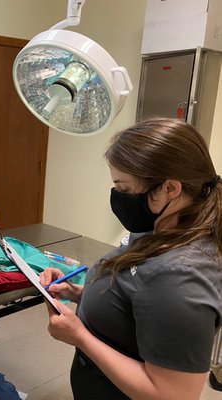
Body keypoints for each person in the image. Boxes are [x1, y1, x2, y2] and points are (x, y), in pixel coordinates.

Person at [39, 118, 222, 400]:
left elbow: (172, 394)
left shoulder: (180, 278)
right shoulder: (163, 228)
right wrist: (79, 294)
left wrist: (80, 337)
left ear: (170, 189)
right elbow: (142, 301)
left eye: (124, 189)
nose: (117, 197)